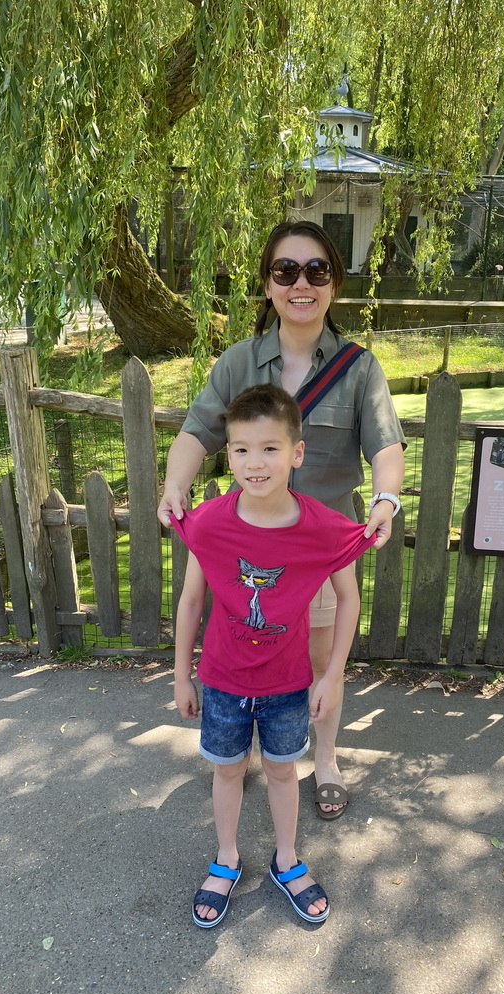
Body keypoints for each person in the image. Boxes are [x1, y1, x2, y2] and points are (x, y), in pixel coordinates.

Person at [158, 220, 405, 820]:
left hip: (317, 547)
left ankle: (323, 759)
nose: (301, 283)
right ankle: (240, 748)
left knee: (321, 663)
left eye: (316, 271)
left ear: (333, 284)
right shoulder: (241, 360)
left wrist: (386, 499)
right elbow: (198, 430)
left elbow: (386, 444)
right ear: (268, 286)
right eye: (285, 271)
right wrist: (174, 484)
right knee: (249, 648)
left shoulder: (359, 368)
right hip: (250, 543)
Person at [172, 384, 376, 927]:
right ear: (228, 454)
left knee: (284, 772)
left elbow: (350, 596)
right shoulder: (211, 523)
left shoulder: (324, 528)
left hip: (289, 683)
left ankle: (287, 859)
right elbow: (192, 601)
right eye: (241, 449)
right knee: (228, 771)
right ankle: (227, 858)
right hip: (220, 681)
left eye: (269, 448)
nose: (254, 463)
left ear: (297, 453)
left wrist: (332, 676)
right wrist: (181, 677)